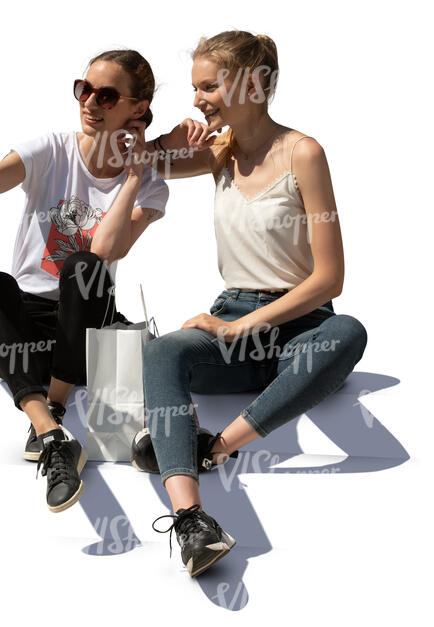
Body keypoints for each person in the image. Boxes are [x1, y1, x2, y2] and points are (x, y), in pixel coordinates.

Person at [0, 49, 169, 513]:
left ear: (136, 109)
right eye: (84, 89)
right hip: (30, 329)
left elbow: (104, 252)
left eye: (106, 95)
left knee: (83, 266)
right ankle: (52, 433)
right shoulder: (52, 149)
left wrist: (134, 177)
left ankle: (55, 400)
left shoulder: (152, 185)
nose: (89, 102)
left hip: (84, 325)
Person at [131, 30, 367, 577]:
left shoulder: (303, 152)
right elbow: (138, 162)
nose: (198, 98)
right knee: (164, 351)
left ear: (253, 84)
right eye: (195, 88)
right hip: (232, 314)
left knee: (349, 332)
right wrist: (168, 137)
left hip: (300, 323)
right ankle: (191, 520)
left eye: (208, 86)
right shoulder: (219, 151)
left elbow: (330, 279)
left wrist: (248, 326)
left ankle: (213, 447)